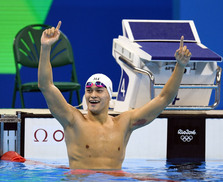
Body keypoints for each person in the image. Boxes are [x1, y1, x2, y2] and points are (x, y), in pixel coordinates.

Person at [38, 21, 191, 170]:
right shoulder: (72, 120)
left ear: (110, 95)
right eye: (89, 90)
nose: (93, 95)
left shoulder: (124, 123)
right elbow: (46, 86)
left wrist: (180, 66)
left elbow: (164, 99)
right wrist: (45, 48)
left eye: (99, 90)